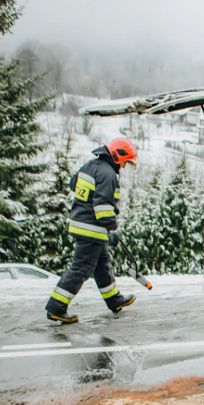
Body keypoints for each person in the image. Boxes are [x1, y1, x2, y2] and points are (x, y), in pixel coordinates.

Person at [45, 138, 138, 324]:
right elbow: (103, 206)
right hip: (91, 228)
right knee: (81, 268)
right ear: (117, 156)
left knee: (102, 264)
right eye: (125, 162)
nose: (124, 166)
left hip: (81, 223)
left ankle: (114, 299)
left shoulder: (90, 166)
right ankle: (56, 307)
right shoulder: (108, 174)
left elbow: (74, 185)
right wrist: (111, 228)